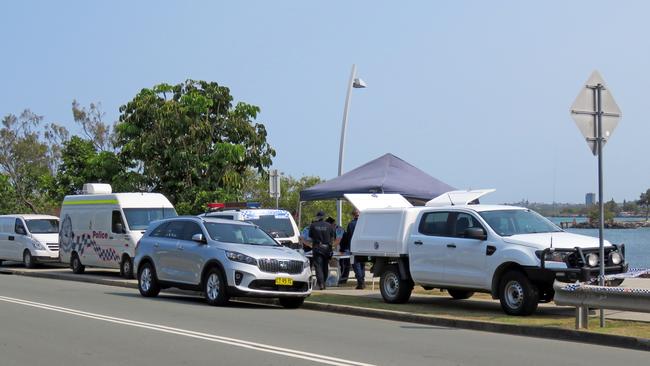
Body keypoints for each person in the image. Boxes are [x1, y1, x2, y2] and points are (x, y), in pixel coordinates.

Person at [308, 211, 335, 290]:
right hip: (327, 248)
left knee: (318, 266)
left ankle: (321, 284)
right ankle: (324, 282)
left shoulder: (313, 225)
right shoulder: (329, 226)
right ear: (324, 217)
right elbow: (332, 237)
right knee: (325, 266)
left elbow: (311, 237)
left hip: (317, 247)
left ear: (317, 217)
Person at [345, 210, 366, 289]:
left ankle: (360, 283)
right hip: (363, 246)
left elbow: (348, 236)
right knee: (362, 265)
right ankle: (362, 281)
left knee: (356, 265)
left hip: (354, 246)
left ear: (353, 215)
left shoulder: (351, 224)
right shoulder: (364, 223)